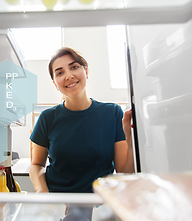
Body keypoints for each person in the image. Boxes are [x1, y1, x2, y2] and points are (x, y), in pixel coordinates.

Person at [29, 47, 135, 195]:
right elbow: (36, 165)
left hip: (100, 204)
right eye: (60, 72)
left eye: (74, 67)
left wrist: (131, 142)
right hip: (60, 204)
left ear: (86, 71)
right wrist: (42, 191)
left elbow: (124, 174)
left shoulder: (113, 113)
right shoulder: (47, 118)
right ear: (55, 84)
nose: (69, 75)